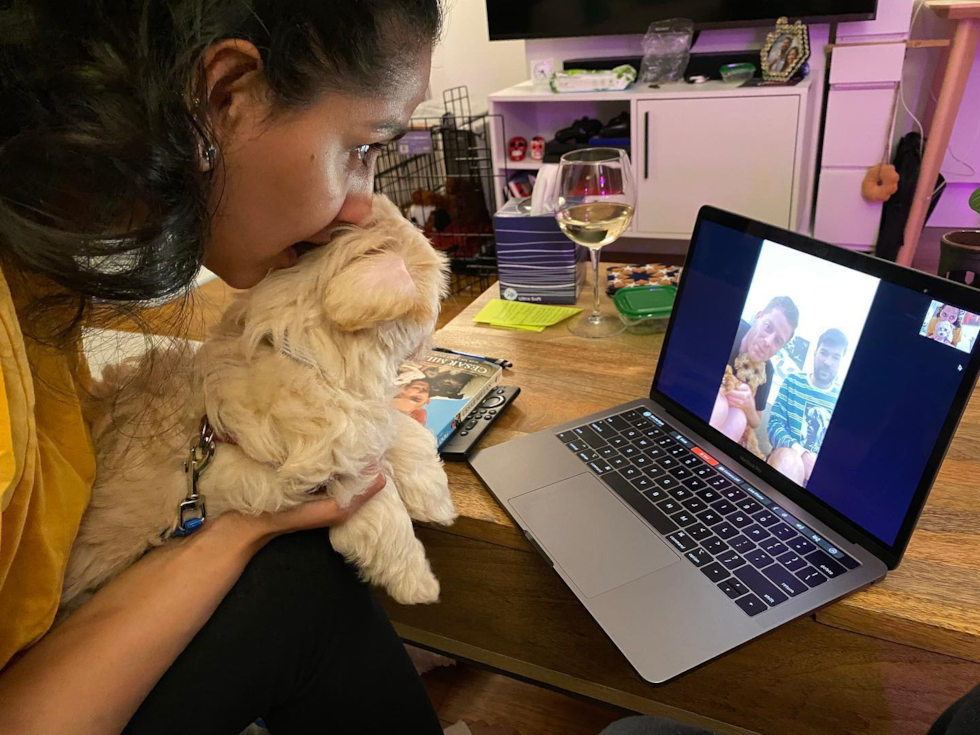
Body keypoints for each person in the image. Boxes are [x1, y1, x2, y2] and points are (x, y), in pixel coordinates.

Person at [0, 1, 446, 733]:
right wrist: (239, 529)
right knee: (304, 579)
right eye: (363, 147)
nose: (365, 205)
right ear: (225, 98)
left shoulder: (35, 264)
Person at [709, 296, 799, 444]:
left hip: (727, 422)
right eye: (768, 327)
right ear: (758, 317)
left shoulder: (767, 371)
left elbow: (756, 421)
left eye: (777, 341)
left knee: (739, 418)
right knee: (720, 405)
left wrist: (749, 405)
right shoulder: (729, 329)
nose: (767, 342)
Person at [767, 328, 848, 485]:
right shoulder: (792, 382)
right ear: (815, 353)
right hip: (786, 463)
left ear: (841, 361)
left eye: (836, 357)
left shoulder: (842, 401)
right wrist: (801, 454)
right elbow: (774, 427)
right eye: (824, 353)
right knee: (789, 460)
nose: (827, 362)